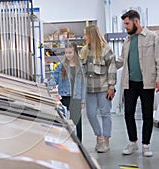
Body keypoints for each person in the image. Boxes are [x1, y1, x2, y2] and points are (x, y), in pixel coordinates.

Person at [116, 10, 159, 157]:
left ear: (136, 22)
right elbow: (121, 61)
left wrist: (158, 79)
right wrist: (105, 63)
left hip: (147, 82)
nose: (125, 27)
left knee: (147, 115)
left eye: (127, 24)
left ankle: (146, 145)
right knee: (128, 114)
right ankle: (133, 142)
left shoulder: (152, 37)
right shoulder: (127, 41)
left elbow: (158, 60)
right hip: (130, 83)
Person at [80, 25, 117, 153]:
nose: (84, 37)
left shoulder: (106, 49)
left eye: (86, 35)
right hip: (90, 89)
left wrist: (111, 86)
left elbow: (112, 68)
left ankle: (106, 140)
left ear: (92, 35)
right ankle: (99, 136)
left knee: (105, 114)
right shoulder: (84, 50)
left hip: (103, 88)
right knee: (90, 114)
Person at [50, 42, 86, 142]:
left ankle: (79, 143)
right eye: (66, 52)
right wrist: (45, 84)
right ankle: (64, 141)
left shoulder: (80, 67)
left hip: (76, 97)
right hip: (65, 97)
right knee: (63, 121)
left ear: (75, 52)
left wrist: (83, 100)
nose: (68, 55)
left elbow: (83, 85)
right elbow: (54, 79)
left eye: (70, 52)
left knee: (77, 122)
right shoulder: (61, 66)